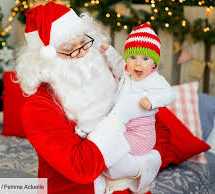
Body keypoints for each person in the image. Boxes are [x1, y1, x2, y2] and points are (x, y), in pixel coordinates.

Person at [16, 1, 162, 194]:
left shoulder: (101, 70)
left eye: (83, 41)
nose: (83, 52)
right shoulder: (38, 106)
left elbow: (151, 123)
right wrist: (120, 117)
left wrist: (141, 164)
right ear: (46, 58)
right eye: (70, 48)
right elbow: (81, 168)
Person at [103, 23, 175, 194]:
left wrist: (152, 100)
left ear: (154, 64)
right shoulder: (127, 73)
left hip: (142, 135)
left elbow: (169, 94)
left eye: (145, 59)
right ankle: (118, 171)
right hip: (125, 129)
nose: (138, 64)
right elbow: (117, 62)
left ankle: (122, 173)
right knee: (108, 143)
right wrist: (108, 50)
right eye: (133, 57)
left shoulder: (154, 79)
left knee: (113, 150)